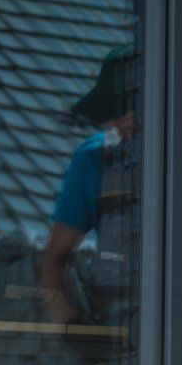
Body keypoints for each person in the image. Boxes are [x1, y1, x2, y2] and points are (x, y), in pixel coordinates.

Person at [40, 44, 136, 328]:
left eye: (126, 109)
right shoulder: (95, 159)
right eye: (112, 113)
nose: (118, 122)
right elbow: (54, 260)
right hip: (117, 328)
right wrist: (69, 326)